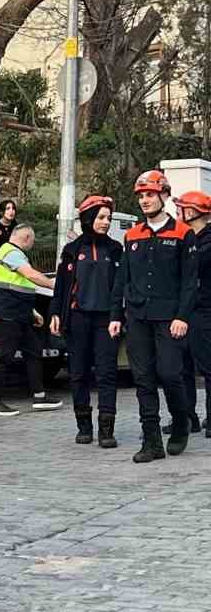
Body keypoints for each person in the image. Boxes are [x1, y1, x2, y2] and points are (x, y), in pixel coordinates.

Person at [109, 169, 198, 462]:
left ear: (164, 195)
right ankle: (151, 442)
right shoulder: (132, 235)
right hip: (137, 317)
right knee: (143, 379)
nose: (145, 200)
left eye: (150, 194)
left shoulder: (183, 233)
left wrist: (182, 316)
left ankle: (181, 423)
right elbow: (122, 279)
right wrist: (115, 316)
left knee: (171, 374)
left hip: (170, 317)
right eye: (141, 196)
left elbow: (189, 280)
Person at [50, 196, 122, 447]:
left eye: (108, 219)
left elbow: (120, 287)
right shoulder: (71, 251)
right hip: (77, 318)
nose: (106, 223)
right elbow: (61, 286)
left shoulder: (115, 250)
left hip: (106, 321)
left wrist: (118, 316)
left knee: (107, 374)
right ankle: (84, 426)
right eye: (101, 218)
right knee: (78, 374)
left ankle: (106, 430)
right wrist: (55, 313)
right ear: (88, 219)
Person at [0, 224, 63, 417]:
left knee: (33, 350)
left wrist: (32, 312)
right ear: (26, 237)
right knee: (3, 354)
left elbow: (19, 284)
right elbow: (31, 275)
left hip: (17, 311)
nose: (32, 244)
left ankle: (39, 396)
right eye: (32, 240)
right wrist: (56, 286)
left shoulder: (10, 254)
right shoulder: (11, 252)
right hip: (6, 312)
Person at [176, 189, 211, 438]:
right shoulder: (186, 238)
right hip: (184, 312)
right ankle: (188, 419)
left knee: (208, 367)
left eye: (180, 208)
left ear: (192, 211)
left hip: (204, 312)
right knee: (181, 368)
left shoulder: (207, 241)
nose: (176, 213)